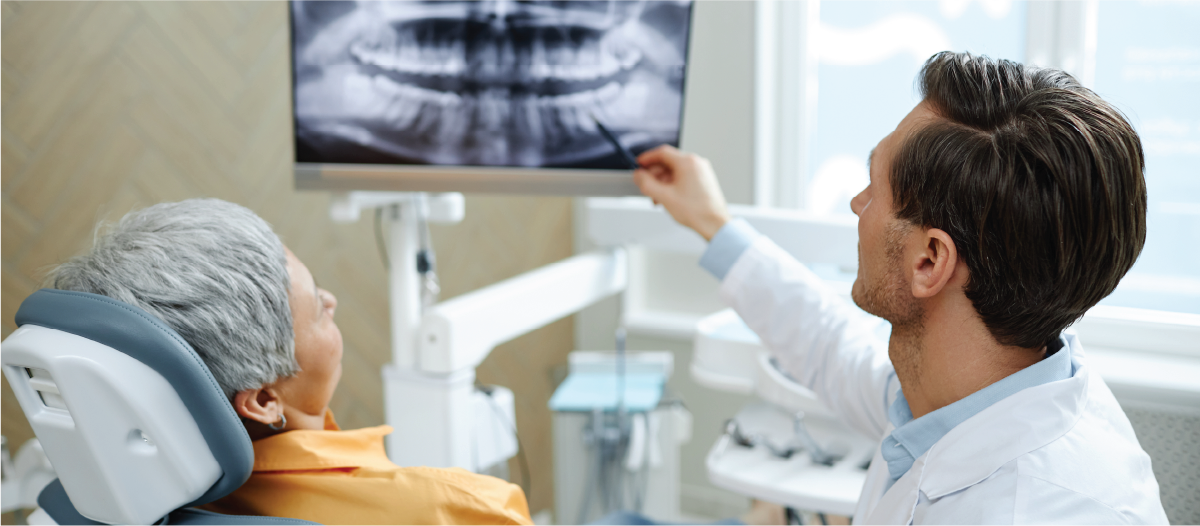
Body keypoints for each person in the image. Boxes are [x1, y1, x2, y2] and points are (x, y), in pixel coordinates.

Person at [633, 52, 1169, 525]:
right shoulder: (987, 383)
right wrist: (714, 225)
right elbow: (832, 348)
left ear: (930, 260)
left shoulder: (1034, 509)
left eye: (875, 186)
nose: (857, 205)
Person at [45, 198, 534, 526]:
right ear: (262, 399)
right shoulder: (456, 509)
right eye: (316, 309)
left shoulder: (105, 501)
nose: (331, 299)